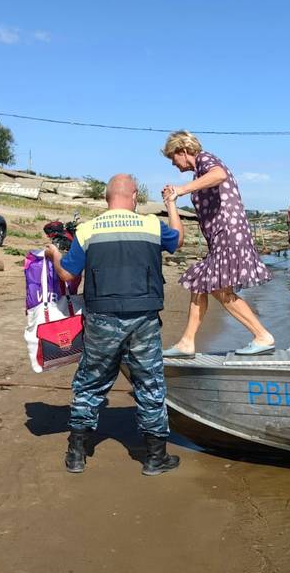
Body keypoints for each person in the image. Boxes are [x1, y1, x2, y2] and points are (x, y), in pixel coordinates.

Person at [45, 173, 184, 476]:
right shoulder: (150, 225)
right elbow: (178, 239)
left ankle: (77, 454)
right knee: (149, 383)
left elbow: (68, 276)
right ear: (134, 197)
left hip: (101, 316)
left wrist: (56, 255)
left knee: (91, 381)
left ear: (106, 198)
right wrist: (171, 204)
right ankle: (155, 457)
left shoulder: (87, 230)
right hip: (143, 316)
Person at [160, 130, 275, 357]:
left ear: (183, 151)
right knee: (201, 283)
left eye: (173, 158)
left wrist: (181, 190)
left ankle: (262, 335)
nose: (174, 165)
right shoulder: (199, 173)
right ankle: (187, 342)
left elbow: (219, 174)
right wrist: (173, 200)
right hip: (223, 238)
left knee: (217, 288)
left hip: (229, 236)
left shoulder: (205, 159)